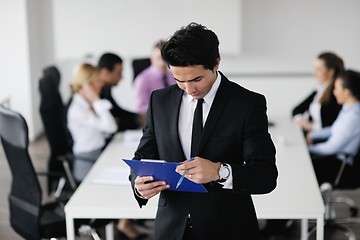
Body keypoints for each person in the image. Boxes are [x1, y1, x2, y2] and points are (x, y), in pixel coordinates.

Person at [130, 22, 277, 240]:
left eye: (197, 79)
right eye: (179, 80)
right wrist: (138, 184)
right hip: (171, 229)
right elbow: (142, 157)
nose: (189, 89)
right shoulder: (159, 100)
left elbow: (265, 176)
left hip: (228, 229)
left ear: (216, 62)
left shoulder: (247, 104)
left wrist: (220, 171)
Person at [307, 70, 360, 185]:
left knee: (303, 166)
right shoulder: (348, 108)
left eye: (336, 88)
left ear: (346, 92)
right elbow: (333, 130)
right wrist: (313, 135)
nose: (334, 92)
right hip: (334, 158)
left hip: (340, 165)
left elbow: (331, 147)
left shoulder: (354, 116)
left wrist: (308, 148)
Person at [67, 63, 118, 182]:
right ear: (87, 84)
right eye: (98, 81)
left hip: (97, 154)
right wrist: (96, 100)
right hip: (87, 160)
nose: (101, 84)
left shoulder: (86, 103)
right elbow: (111, 127)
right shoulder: (78, 109)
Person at [292, 52, 344, 133]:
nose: (315, 73)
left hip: (320, 138)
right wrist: (301, 121)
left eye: (318, 69)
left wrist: (312, 127)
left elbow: (335, 127)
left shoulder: (337, 94)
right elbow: (296, 109)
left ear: (330, 72)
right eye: (314, 68)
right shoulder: (319, 90)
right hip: (311, 134)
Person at [134, 40, 176, 126]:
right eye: (159, 58)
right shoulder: (142, 80)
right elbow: (140, 108)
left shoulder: (175, 76)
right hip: (154, 122)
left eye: (166, 59)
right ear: (151, 57)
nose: (163, 63)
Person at [98, 53, 140, 131]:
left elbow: (116, 111)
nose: (121, 77)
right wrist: (137, 120)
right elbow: (113, 122)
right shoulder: (96, 93)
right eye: (119, 73)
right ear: (105, 73)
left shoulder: (106, 89)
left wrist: (138, 117)